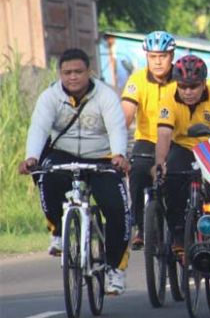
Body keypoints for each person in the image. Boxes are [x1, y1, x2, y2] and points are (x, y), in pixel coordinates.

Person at [19, 49, 131, 295]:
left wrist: (119, 155)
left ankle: (114, 270)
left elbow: (116, 128)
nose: (72, 77)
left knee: (117, 209)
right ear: (60, 73)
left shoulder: (105, 96)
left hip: (102, 157)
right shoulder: (50, 96)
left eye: (78, 72)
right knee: (45, 175)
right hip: (64, 154)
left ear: (89, 72)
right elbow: (38, 128)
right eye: (67, 72)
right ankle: (58, 232)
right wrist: (31, 157)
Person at [154, 55, 210, 253]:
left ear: (204, 83)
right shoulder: (168, 96)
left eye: (193, 86)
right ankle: (178, 235)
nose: (187, 92)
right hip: (183, 147)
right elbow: (164, 133)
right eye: (183, 86)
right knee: (171, 178)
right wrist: (160, 162)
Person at [121, 30, 176, 250]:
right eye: (153, 57)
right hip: (146, 140)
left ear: (172, 55)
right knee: (137, 172)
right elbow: (126, 113)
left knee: (175, 178)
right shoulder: (138, 79)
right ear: (147, 57)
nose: (158, 61)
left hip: (175, 140)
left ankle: (178, 225)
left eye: (162, 56)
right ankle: (141, 227)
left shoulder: (181, 79)